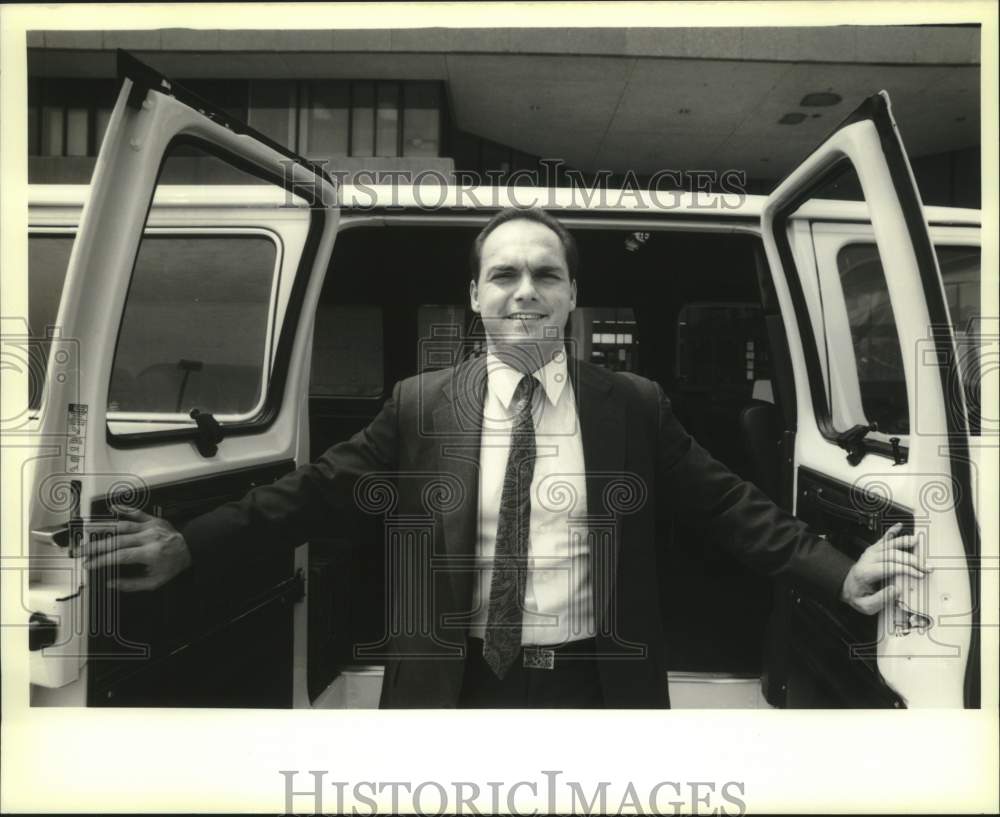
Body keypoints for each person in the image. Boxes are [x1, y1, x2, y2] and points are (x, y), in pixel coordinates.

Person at [82, 207, 928, 708]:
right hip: (447, 678)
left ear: (570, 295)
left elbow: (724, 503)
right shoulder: (420, 403)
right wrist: (192, 540)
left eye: (546, 274)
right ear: (475, 295)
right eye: (504, 274)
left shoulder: (630, 404)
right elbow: (313, 493)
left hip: (593, 678)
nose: (525, 290)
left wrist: (834, 570)